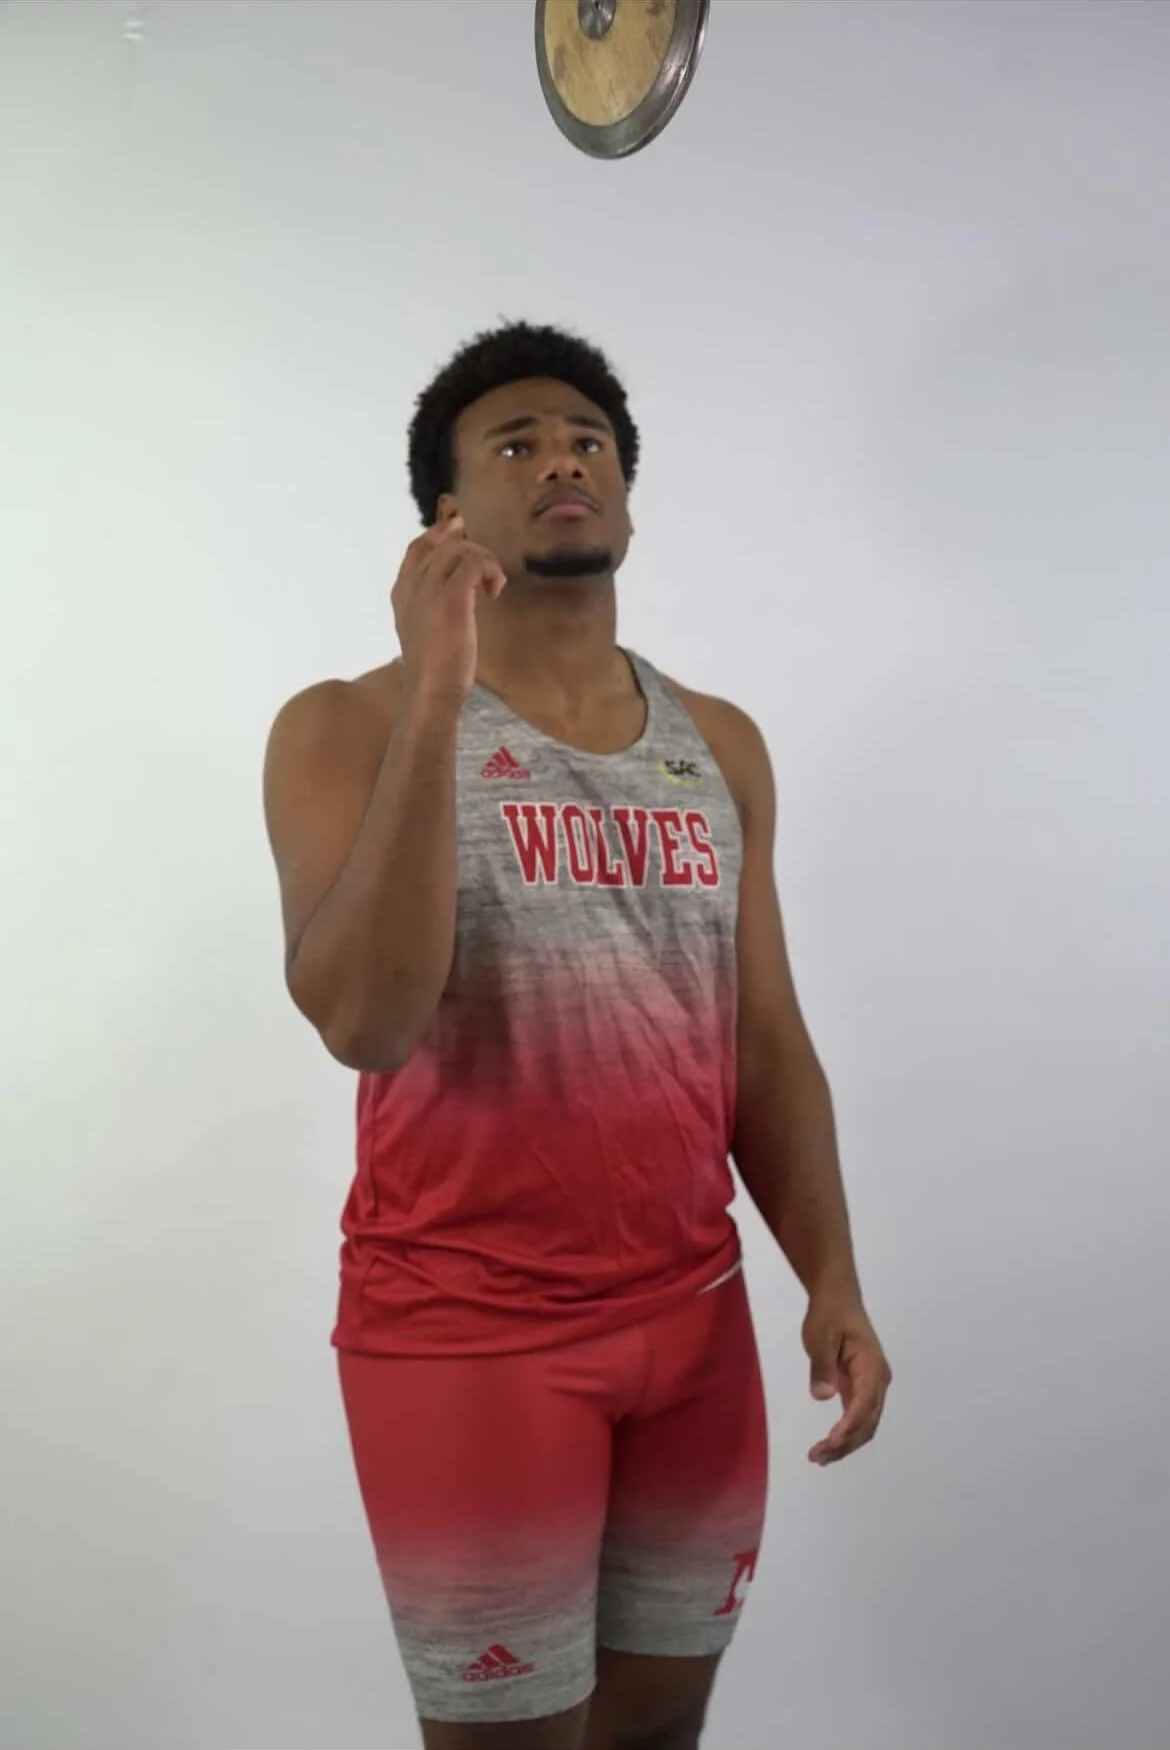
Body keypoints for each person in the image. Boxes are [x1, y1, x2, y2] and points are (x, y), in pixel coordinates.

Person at [262, 321, 891, 1750]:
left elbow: (767, 1038)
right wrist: (437, 691)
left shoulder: (714, 739)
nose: (564, 456)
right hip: (470, 1340)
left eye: (589, 439)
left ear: (623, 492)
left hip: (693, 1326)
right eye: (518, 441)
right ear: (444, 513)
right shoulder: (339, 725)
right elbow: (365, 1019)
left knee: (658, 1736)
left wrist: (831, 1275)